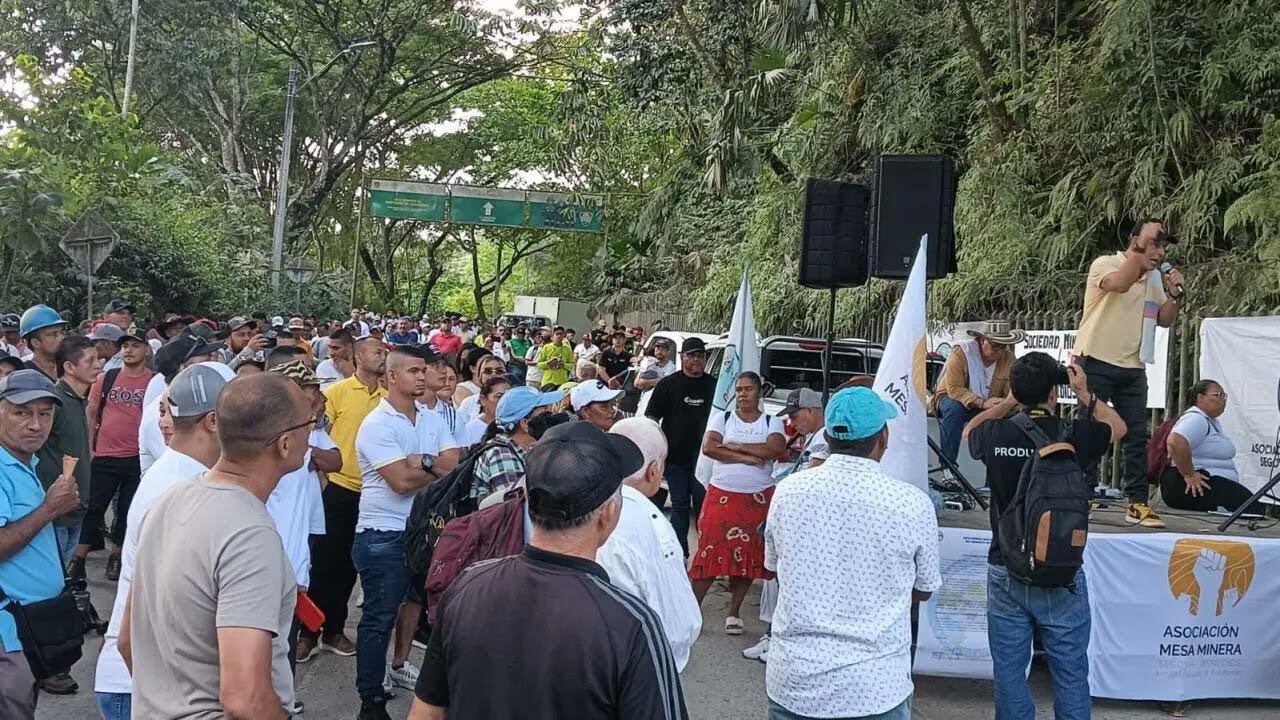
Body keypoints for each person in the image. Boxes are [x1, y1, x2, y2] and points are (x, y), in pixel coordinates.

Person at [408, 421, 688, 720]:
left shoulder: (467, 586)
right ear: (609, 514)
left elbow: (426, 712)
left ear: (528, 498)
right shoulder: (631, 625)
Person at [120, 373, 310, 720]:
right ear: (284, 444)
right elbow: (245, 700)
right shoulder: (249, 534)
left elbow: (127, 642)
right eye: (310, 423)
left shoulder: (169, 498)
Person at [764, 386, 941, 720]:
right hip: (874, 687)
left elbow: (774, 568)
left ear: (828, 436)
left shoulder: (788, 492)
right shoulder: (911, 503)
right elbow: (925, 587)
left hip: (795, 680)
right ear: (883, 438)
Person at [964, 352, 1125, 720]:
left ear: (1016, 392)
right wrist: (1085, 394)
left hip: (1005, 563)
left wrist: (1007, 403)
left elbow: (968, 431)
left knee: (1009, 672)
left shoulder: (996, 432)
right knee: (1069, 672)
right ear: (1055, 392)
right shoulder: (1075, 434)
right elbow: (1117, 427)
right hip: (1061, 569)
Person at [94, 362, 230, 720]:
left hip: (154, 683)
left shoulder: (185, 475)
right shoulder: (178, 488)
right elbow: (134, 629)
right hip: (144, 687)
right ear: (213, 421)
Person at [352, 345, 460, 720]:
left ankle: (398, 669)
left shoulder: (431, 418)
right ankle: (371, 700)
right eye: (413, 371)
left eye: (423, 370)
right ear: (392, 377)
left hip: (425, 534)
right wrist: (434, 469)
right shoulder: (377, 424)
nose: (422, 376)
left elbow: (454, 464)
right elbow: (399, 481)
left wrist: (425, 461)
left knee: (419, 608)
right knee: (379, 619)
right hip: (384, 533)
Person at [1075, 218, 1185, 528]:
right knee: (1090, 431)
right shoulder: (1106, 263)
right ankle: (1081, 495)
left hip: (1133, 366)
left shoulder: (1154, 279)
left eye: (1163, 246)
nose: (1160, 251)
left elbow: (1165, 319)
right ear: (1134, 240)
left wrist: (1173, 295)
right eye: (1154, 243)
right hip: (1095, 359)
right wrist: (1141, 257)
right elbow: (1119, 284)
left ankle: (1137, 503)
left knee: (1137, 436)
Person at [297, 337, 387, 664]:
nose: (383, 357)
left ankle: (335, 630)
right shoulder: (335, 393)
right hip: (339, 489)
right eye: (377, 352)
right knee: (323, 564)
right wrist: (323, 482)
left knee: (350, 567)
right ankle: (308, 633)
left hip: (374, 492)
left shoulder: (389, 398)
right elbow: (320, 437)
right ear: (359, 356)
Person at [0, 370, 83, 719]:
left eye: (44, 414)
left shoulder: (24, 461)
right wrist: (49, 510)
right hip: (8, 633)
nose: (36, 424)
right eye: (22, 412)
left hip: (31, 629)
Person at [597, 417, 702, 672]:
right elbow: (677, 622)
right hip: (638, 666)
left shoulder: (585, 501)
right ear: (654, 469)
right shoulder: (649, 521)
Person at [265, 361, 339, 716]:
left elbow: (336, 460)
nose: (318, 397)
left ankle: (284, 701)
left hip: (296, 554)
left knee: (286, 641)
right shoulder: (268, 439)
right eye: (310, 389)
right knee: (264, 643)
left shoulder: (308, 435)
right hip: (271, 557)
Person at [690, 371, 785, 634]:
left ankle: (734, 611)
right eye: (739, 389)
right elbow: (709, 448)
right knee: (710, 549)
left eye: (748, 389)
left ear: (759, 392)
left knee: (747, 554)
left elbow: (774, 449)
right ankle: (690, 611)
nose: (742, 394)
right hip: (722, 493)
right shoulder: (723, 418)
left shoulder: (771, 422)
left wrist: (735, 447)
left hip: (757, 497)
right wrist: (747, 458)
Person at [645, 336, 715, 558]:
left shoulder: (714, 385)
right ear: (682, 357)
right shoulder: (668, 384)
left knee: (704, 509)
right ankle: (679, 555)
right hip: (675, 459)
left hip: (706, 460)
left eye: (700, 355)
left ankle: (705, 557)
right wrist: (656, 452)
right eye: (691, 355)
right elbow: (651, 420)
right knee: (680, 505)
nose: (696, 359)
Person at [1161, 379, 1261, 514]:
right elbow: (1175, 442)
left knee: (1250, 510)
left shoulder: (1208, 421)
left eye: (1224, 396)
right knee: (1252, 510)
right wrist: (1190, 475)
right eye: (1218, 395)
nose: (1223, 400)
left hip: (1201, 483)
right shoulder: (1196, 419)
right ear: (1200, 397)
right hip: (1192, 485)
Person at [931, 320, 1022, 464]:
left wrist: (1003, 405)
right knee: (955, 409)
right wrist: (983, 403)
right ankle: (947, 467)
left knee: (1008, 420)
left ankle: (994, 476)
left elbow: (1011, 391)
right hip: (953, 398)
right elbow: (954, 389)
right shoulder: (962, 352)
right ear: (982, 341)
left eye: (1003, 347)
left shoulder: (1008, 358)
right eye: (995, 346)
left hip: (990, 404)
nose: (999, 352)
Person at [471, 386, 563, 502]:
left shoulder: (527, 449)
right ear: (525, 424)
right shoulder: (502, 455)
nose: (551, 416)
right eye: (545, 413)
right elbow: (518, 505)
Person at [19, 304, 67, 381]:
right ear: (35, 343)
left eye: (62, 332)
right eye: (53, 334)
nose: (61, 337)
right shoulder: (24, 375)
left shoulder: (69, 367)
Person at [455, 353, 505, 425]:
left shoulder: (515, 401)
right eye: (488, 371)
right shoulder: (468, 403)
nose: (493, 375)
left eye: (499, 371)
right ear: (479, 375)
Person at [464, 375, 512, 447]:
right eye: (499, 396)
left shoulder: (515, 426)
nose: (505, 401)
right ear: (483, 400)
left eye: (509, 397)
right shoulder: (469, 431)